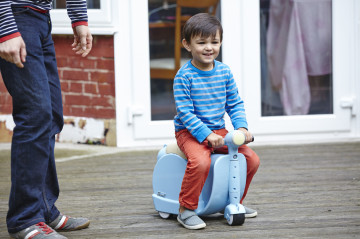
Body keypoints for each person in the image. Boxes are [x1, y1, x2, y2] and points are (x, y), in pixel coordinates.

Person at [0, 1, 93, 238]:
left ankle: (43, 209)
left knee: (51, 115)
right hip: (15, 16)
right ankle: (25, 218)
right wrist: (5, 28)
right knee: (35, 115)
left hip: (41, 18)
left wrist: (79, 18)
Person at [173, 13, 260, 230]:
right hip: (190, 132)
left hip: (219, 131)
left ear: (220, 42)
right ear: (187, 44)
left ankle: (233, 201)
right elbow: (186, 114)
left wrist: (241, 127)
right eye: (201, 42)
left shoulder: (224, 72)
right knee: (201, 162)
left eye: (214, 42)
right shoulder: (184, 76)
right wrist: (206, 135)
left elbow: (235, 103)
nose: (209, 47)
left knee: (251, 159)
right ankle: (186, 209)